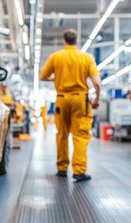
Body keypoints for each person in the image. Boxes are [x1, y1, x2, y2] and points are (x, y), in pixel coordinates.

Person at [39, 29, 101, 182]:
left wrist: (57, 78)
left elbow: (42, 76)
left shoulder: (56, 57)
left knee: (62, 134)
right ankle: (79, 171)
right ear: (76, 41)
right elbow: (97, 83)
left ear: (64, 40)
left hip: (61, 100)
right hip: (80, 100)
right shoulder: (86, 58)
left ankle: (61, 168)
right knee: (80, 135)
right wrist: (96, 99)